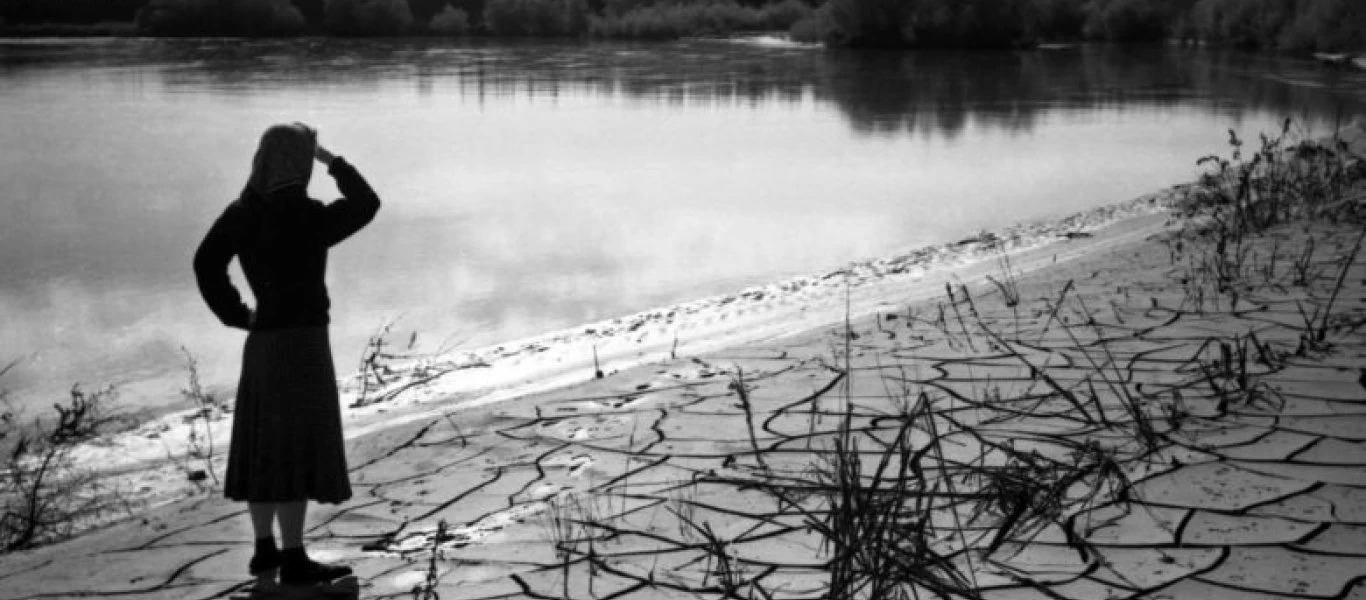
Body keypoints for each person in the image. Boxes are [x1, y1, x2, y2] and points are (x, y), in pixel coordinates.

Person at [193, 122, 381, 586]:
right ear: (299, 163)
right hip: (304, 343)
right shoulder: (308, 215)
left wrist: (239, 315)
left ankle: (264, 551)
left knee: (264, 445)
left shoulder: (242, 212)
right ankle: (294, 557)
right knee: (294, 446)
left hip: (262, 343)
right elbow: (367, 203)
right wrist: (331, 160)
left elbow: (205, 264)